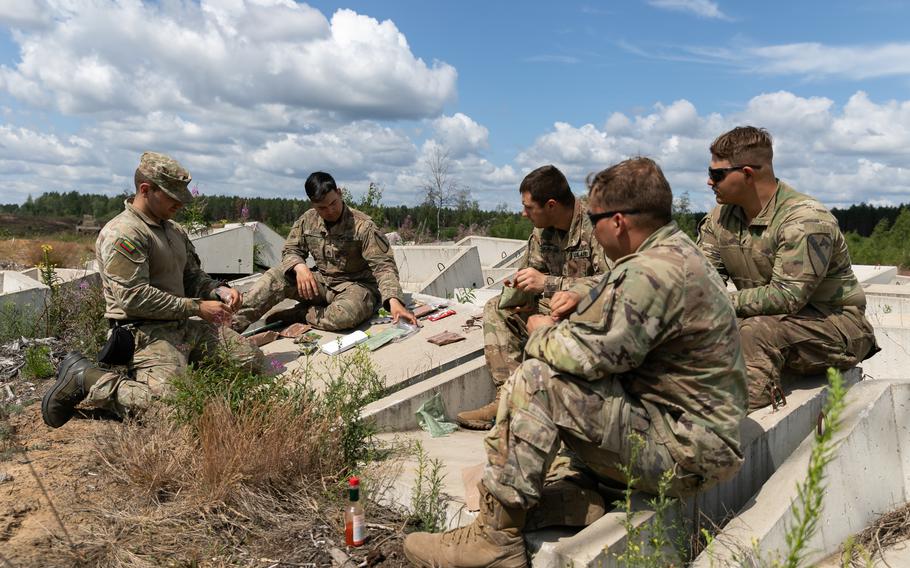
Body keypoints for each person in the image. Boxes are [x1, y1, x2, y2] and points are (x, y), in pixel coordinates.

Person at [404, 157, 748, 568]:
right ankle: (571, 493)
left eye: (598, 219)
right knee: (565, 385)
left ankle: (496, 540)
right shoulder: (673, 253)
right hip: (689, 436)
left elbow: (585, 357)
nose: (596, 231)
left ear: (617, 221)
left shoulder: (650, 272)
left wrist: (539, 328)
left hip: (684, 455)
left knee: (537, 381)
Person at [41, 152, 264, 428]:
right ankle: (87, 378)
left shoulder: (174, 231)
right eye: (172, 196)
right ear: (146, 190)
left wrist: (217, 291)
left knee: (251, 362)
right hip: (144, 333)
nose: (180, 203)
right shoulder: (124, 233)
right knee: (177, 413)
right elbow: (133, 298)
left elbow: (192, 276)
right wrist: (197, 307)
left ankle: (177, 379)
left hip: (182, 327)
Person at [697, 126, 879, 410]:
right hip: (771, 321)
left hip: (836, 327)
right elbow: (701, 285)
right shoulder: (720, 219)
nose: (709, 182)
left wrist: (718, 304)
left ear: (747, 174)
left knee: (756, 331)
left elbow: (787, 297)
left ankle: (743, 409)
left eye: (716, 174)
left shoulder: (804, 219)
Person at [455, 165, 608, 430]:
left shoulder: (596, 227)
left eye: (528, 207)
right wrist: (520, 288)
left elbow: (614, 282)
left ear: (551, 205)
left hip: (587, 312)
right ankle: (508, 398)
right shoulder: (542, 231)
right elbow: (533, 270)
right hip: (551, 307)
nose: (523, 213)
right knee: (497, 308)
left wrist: (548, 283)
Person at [232, 172, 416, 332]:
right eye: (322, 208)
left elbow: (383, 267)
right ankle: (228, 327)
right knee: (274, 277)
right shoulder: (308, 220)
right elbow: (290, 249)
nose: (330, 211)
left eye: (333, 203)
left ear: (339, 193)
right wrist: (299, 267)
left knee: (346, 315)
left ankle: (302, 314)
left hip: (356, 288)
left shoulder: (363, 226)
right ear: (312, 204)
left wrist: (394, 301)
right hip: (322, 283)